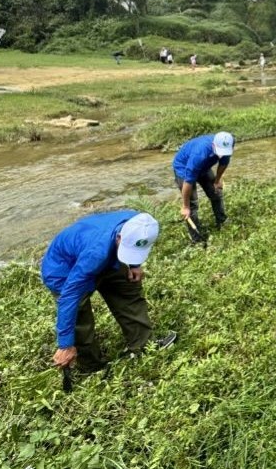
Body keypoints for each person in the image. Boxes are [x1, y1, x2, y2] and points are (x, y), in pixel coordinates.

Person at [40, 211, 176, 374]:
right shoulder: (95, 252)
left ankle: (144, 346)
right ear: (119, 237)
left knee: (128, 289)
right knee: (79, 317)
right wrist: (65, 344)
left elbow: (138, 243)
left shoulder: (142, 223)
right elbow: (69, 297)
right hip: (63, 270)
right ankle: (91, 367)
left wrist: (134, 264)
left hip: (108, 256)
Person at [172, 132, 234, 244]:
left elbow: (224, 163)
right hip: (184, 167)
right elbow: (188, 182)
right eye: (219, 152)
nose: (221, 155)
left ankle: (222, 222)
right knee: (192, 206)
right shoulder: (199, 154)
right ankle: (197, 239)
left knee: (216, 193)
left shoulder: (228, 143)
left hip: (204, 167)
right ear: (214, 146)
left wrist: (217, 180)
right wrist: (185, 206)